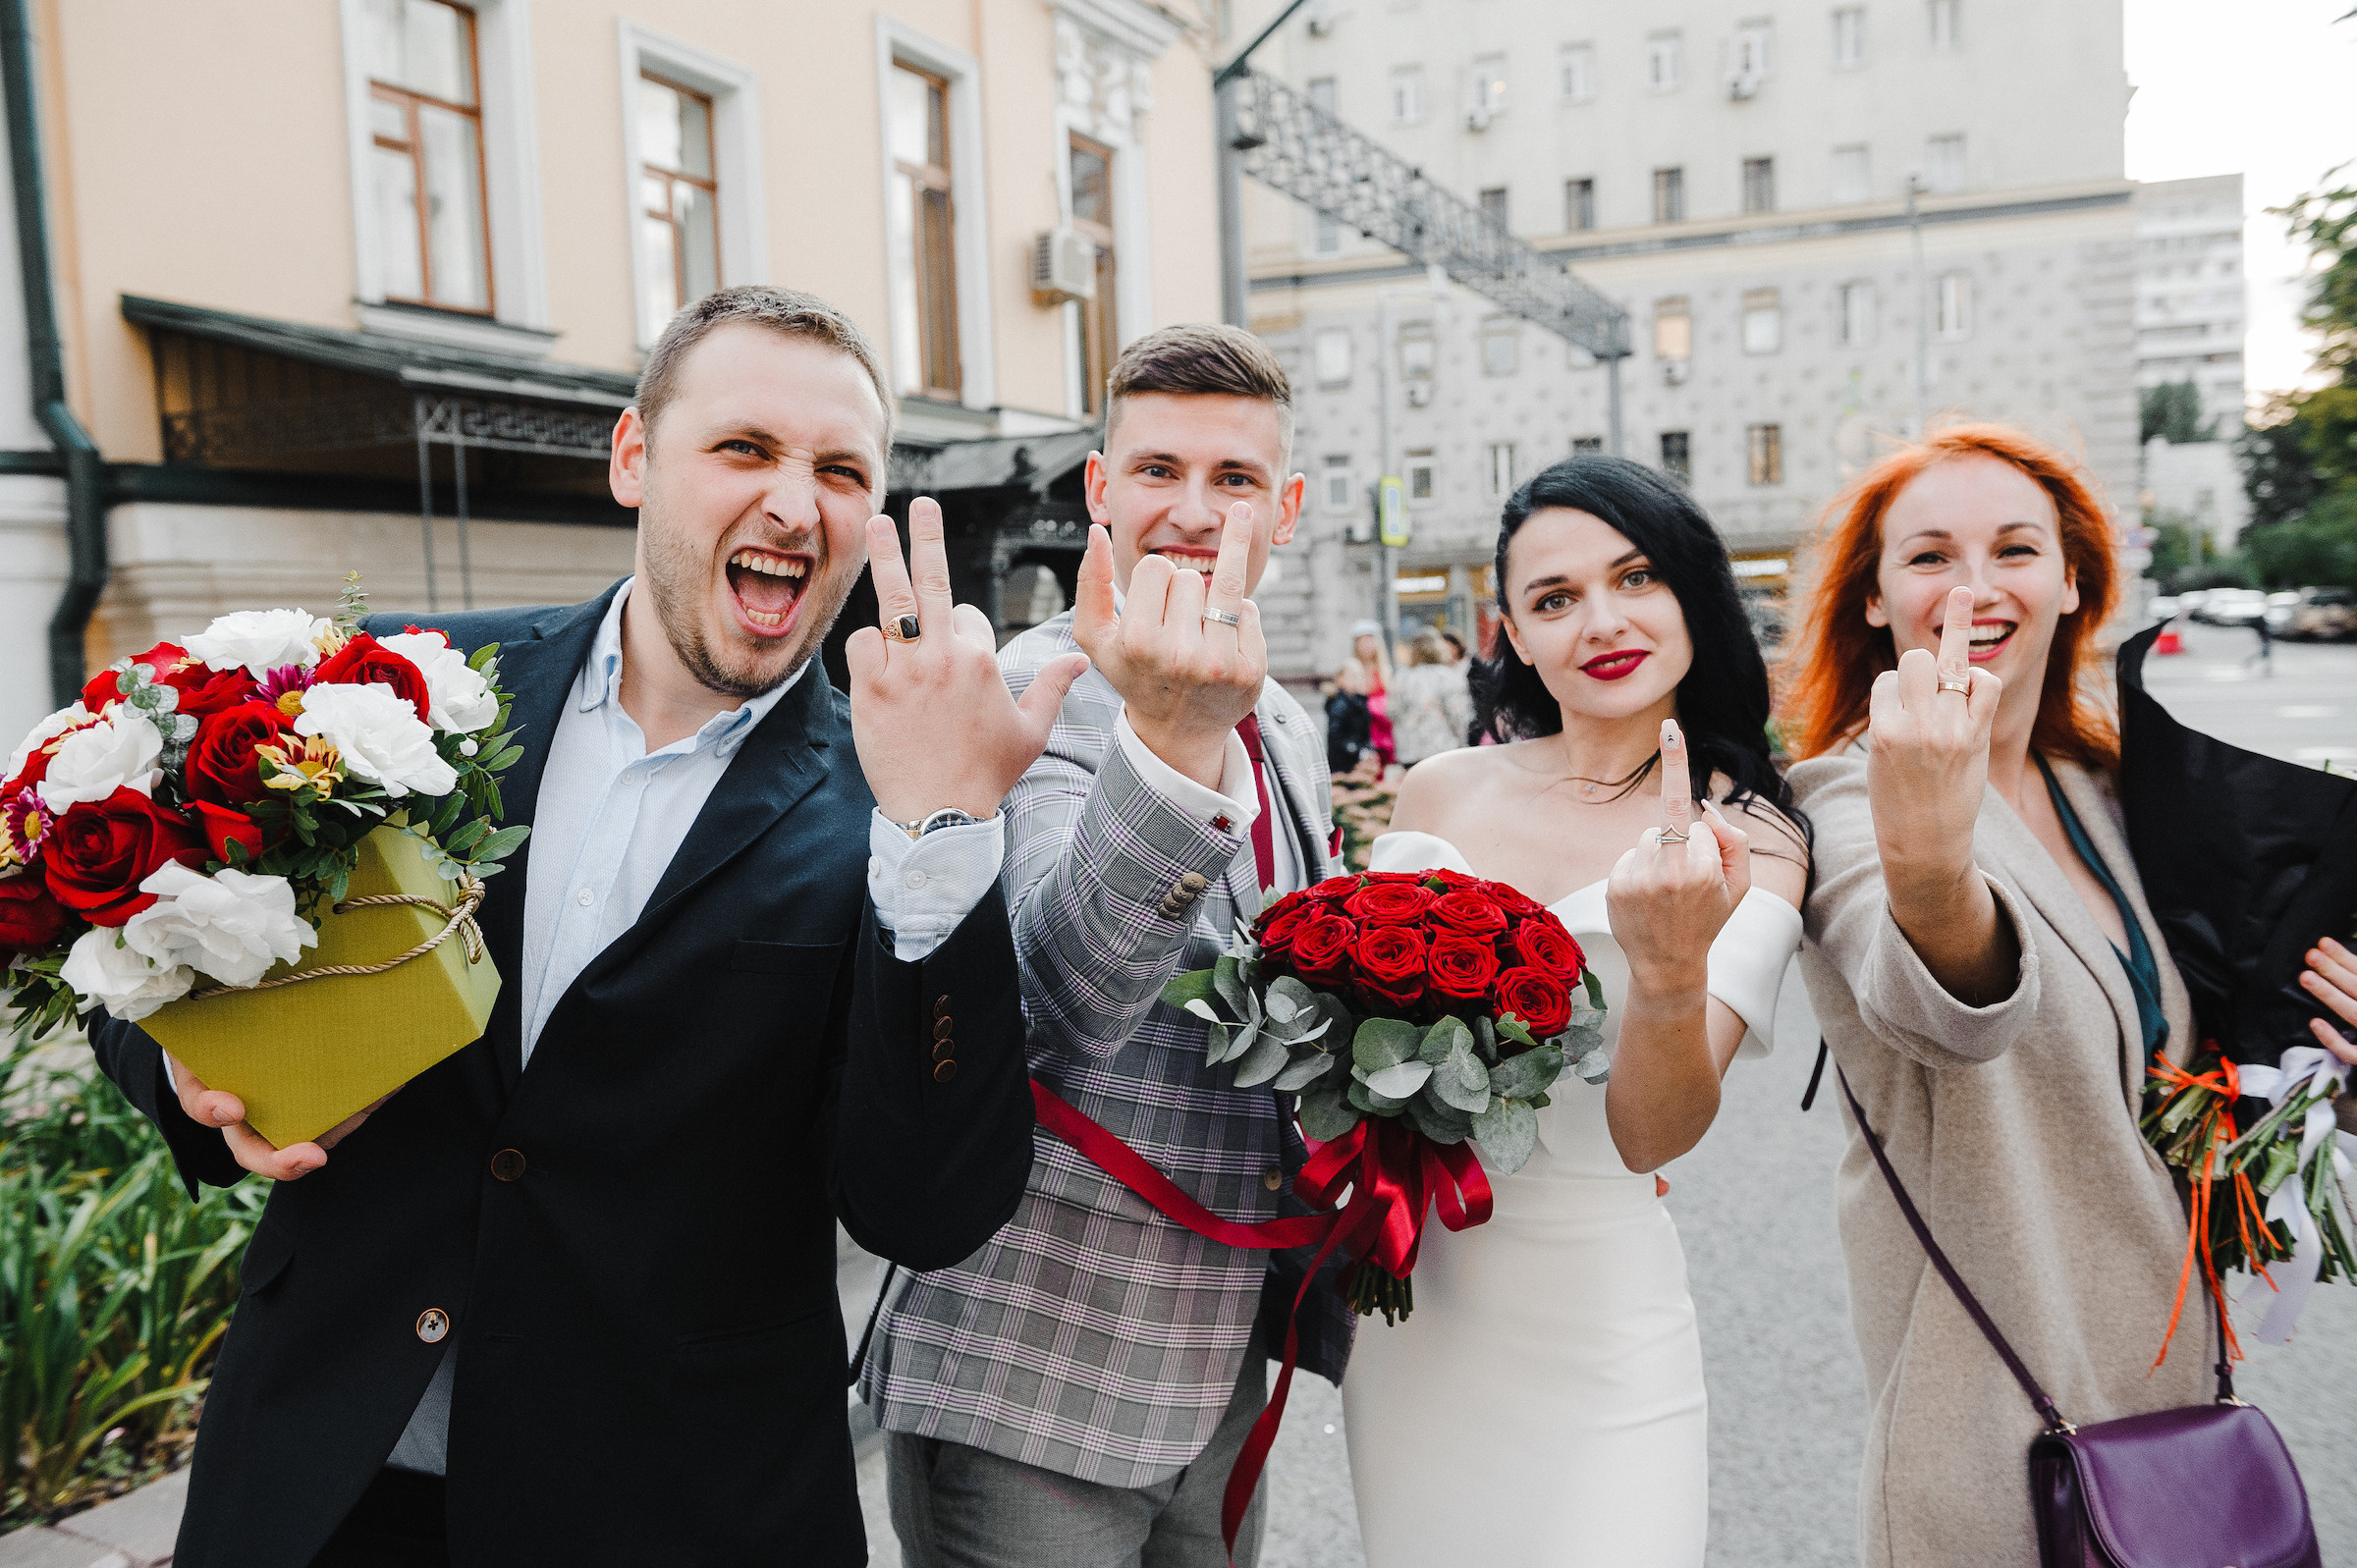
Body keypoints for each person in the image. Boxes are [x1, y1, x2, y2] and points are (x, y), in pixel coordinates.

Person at [85, 287, 1075, 1568]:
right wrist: (181, 1073)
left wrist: (947, 840)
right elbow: (141, 946)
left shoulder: (890, 809)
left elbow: (928, 1209)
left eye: (841, 469)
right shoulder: (407, 691)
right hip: (322, 1479)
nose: (795, 499)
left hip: (671, 1507)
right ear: (631, 458)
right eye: (744, 448)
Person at [1776, 424, 2357, 1568]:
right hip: (1993, 1431)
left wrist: (2327, 1066)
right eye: (1931, 556)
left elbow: (2187, 1082)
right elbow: (1935, 1002)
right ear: (1877, 602)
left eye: (2016, 549)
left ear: (2075, 577)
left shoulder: (2109, 792)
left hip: (2175, 1404)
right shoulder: (1847, 796)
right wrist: (1934, 853)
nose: (1977, 588)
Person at [861, 325, 1348, 1568]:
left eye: (1234, 479)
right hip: (1035, 1372)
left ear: (1285, 508)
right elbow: (1058, 1006)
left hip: (1224, 1351)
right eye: (1157, 470)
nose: (1194, 511)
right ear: (1097, 489)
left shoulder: (1281, 719)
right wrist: (1173, 738)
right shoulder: (1027, 690)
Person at [1343, 455, 1812, 1566]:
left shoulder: (1749, 839)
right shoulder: (1439, 789)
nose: (1601, 620)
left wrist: (1666, 968)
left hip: (1599, 1319)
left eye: (1636, 576)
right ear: (1511, 630)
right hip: (1416, 1306)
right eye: (1554, 599)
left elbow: (1653, 1134)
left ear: (1693, 592)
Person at [1387, 627, 1473, 765]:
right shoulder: (1448, 676)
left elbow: (1392, 712)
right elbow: (1458, 715)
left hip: (1410, 750)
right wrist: (1463, 742)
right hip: (1443, 749)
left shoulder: (1402, 678)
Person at [1343, 620, 1396, 768]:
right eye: (1362, 641)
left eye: (1369, 641)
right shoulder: (1354, 671)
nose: (1366, 646)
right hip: (1365, 730)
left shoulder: (1385, 670)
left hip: (1384, 730)